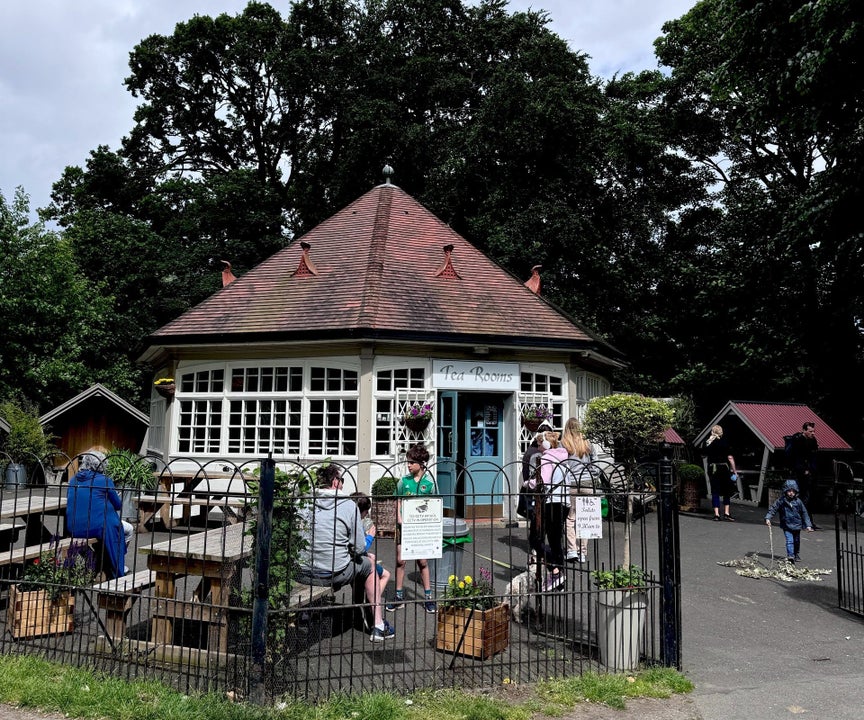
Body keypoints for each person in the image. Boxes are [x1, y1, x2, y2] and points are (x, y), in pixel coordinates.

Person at [296, 465, 393, 642]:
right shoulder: (348, 505)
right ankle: (378, 625)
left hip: (302, 571)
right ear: (335, 481)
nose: (342, 485)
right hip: (332, 573)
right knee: (369, 565)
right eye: (341, 481)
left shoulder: (304, 502)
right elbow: (359, 547)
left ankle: (305, 615)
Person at [66, 447, 134, 579]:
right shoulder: (104, 480)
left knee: (107, 530)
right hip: (98, 527)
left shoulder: (74, 480)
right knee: (128, 529)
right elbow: (118, 505)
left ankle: (101, 561)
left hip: (74, 527)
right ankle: (115, 561)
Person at [387, 443, 438, 613]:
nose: (408, 465)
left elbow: (434, 505)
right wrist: (399, 517)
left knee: (422, 561)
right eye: (407, 462)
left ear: (422, 463)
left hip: (421, 529)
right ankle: (399, 596)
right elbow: (397, 500)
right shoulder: (404, 481)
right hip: (404, 527)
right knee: (400, 560)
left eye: (411, 462)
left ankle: (428, 597)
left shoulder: (429, 483)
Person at [560, 417, 597, 563]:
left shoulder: (564, 444)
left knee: (570, 519)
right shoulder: (587, 442)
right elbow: (595, 461)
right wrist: (593, 474)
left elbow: (562, 465)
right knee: (585, 518)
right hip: (587, 483)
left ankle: (571, 550)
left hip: (572, 484)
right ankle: (582, 552)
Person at [538, 430, 569, 591]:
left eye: (539, 443)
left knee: (538, 540)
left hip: (552, 502)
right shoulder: (564, 455)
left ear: (545, 444)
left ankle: (556, 573)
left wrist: (528, 484)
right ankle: (559, 579)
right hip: (565, 501)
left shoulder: (546, 457)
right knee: (557, 541)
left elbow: (544, 481)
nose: (538, 447)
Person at [765, 479, 814, 563]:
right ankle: (790, 555)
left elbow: (804, 513)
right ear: (785, 491)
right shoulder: (781, 501)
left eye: (793, 491)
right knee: (789, 540)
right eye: (789, 491)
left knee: (796, 541)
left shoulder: (798, 502)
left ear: (796, 491)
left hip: (797, 525)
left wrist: (808, 525)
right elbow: (773, 508)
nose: (791, 493)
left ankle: (796, 554)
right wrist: (768, 518)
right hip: (786, 525)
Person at [349, 491, 390, 587]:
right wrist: (370, 537)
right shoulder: (357, 523)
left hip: (350, 558)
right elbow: (360, 548)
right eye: (366, 510)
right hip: (354, 560)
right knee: (386, 575)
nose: (367, 513)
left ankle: (364, 599)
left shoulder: (349, 520)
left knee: (371, 557)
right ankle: (374, 600)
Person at [701, 425, 740, 521]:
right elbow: (730, 458)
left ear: (712, 432)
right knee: (727, 490)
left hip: (712, 468)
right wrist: (735, 471)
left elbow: (703, 455)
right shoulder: (725, 442)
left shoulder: (707, 442)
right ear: (721, 432)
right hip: (723, 468)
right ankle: (726, 513)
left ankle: (717, 514)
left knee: (715, 491)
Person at [788, 422, 819, 512]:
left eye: (813, 431)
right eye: (810, 431)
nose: (813, 433)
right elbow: (796, 457)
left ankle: (806, 519)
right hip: (799, 471)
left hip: (809, 470)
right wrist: (804, 469)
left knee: (807, 495)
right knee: (801, 494)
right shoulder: (798, 439)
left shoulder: (813, 440)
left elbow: (813, 456)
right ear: (804, 430)